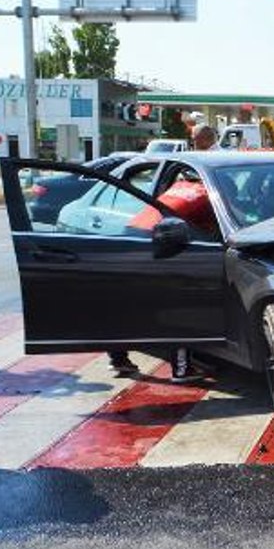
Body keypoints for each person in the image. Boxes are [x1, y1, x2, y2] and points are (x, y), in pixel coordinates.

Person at [106, 125, 218, 382]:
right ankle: (182, 369)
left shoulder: (181, 186)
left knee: (129, 304)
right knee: (178, 305)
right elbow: (214, 226)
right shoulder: (207, 194)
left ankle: (118, 359)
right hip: (156, 244)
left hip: (133, 235)